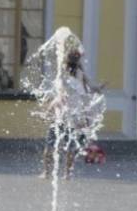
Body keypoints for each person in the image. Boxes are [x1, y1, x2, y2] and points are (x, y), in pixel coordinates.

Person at [41, 48, 103, 179]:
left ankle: (47, 172)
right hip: (74, 117)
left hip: (61, 116)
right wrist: (99, 89)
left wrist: (48, 110)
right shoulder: (80, 74)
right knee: (70, 147)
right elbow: (89, 91)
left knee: (50, 144)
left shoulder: (63, 75)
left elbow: (60, 96)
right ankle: (67, 174)